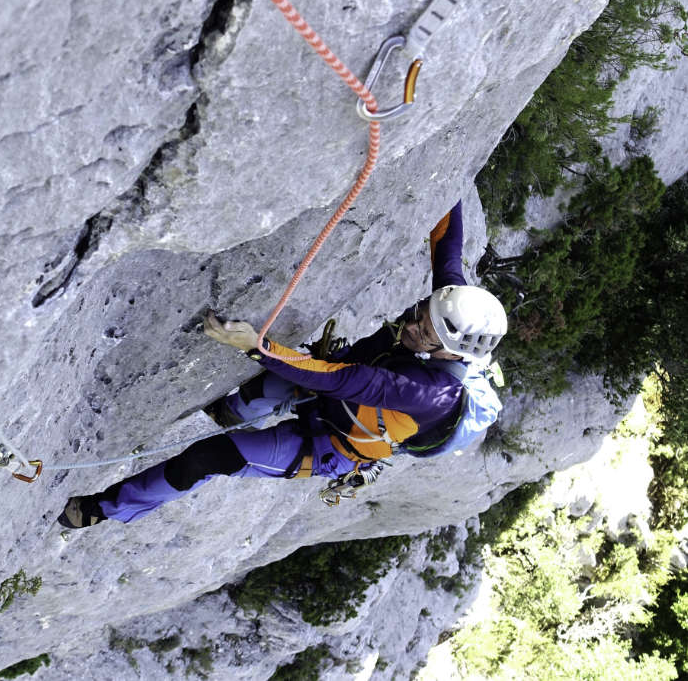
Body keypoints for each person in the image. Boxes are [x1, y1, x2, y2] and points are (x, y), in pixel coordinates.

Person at [57, 201, 507, 528]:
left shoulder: (426, 394)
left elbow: (345, 379)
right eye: (418, 314)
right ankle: (226, 411)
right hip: (332, 396)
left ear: (450, 352)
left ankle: (105, 508)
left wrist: (258, 346)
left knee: (208, 457)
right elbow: (447, 245)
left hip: (333, 443)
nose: (412, 325)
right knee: (260, 390)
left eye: (424, 333)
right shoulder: (450, 314)